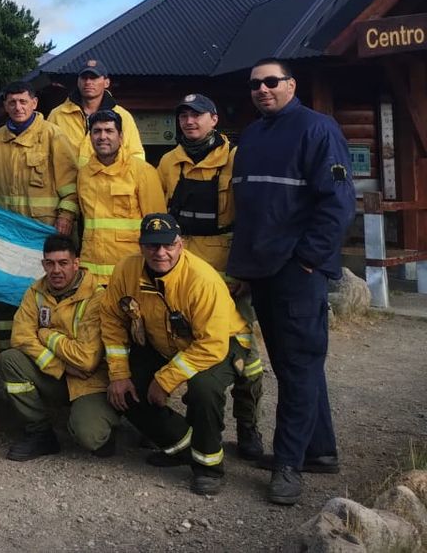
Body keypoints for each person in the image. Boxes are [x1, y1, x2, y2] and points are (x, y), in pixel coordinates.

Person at [228, 58, 354, 506]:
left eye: (271, 82)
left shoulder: (318, 129)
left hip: (297, 272)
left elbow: (338, 205)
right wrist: (243, 268)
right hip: (261, 271)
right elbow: (251, 210)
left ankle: (287, 463)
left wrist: (306, 261)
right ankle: (318, 451)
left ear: (291, 85)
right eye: (255, 84)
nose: (262, 89)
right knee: (293, 366)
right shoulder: (254, 136)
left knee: (299, 365)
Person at [103, 213, 252, 496]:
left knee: (204, 389)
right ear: (140, 246)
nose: (161, 253)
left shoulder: (201, 279)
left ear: (181, 244)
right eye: (152, 246)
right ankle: (181, 446)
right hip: (166, 344)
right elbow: (112, 319)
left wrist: (166, 379)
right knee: (125, 390)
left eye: (168, 245)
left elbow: (212, 344)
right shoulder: (126, 270)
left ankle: (209, 466)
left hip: (221, 344)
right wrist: (119, 373)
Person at [157, 93, 265, 461]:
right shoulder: (169, 163)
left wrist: (244, 270)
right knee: (188, 349)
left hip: (229, 273)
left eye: (197, 115)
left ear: (214, 120)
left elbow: (251, 215)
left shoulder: (236, 159)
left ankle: (248, 427)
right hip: (183, 273)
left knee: (244, 357)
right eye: (183, 116)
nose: (189, 122)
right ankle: (199, 428)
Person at [0, 234, 118, 461]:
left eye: (63, 263)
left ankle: (106, 423)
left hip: (89, 380)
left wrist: (45, 334)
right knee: (10, 359)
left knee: (91, 437)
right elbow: (21, 337)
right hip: (59, 375)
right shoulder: (36, 291)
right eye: (50, 263)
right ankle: (40, 433)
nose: (56, 270)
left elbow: (86, 360)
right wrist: (61, 367)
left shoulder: (96, 296)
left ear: (76, 263)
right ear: (43, 264)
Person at [0, 80, 80, 351]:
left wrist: (66, 215)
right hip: (7, 240)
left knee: (45, 295)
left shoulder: (53, 136)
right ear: (5, 106)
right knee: (5, 295)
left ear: (34, 103)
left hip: (44, 236)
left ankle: (41, 351)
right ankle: (6, 353)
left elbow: (72, 186)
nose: (18, 107)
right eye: (12, 102)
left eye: (23, 101)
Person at [76, 110, 166, 286]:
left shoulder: (143, 172)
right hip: (91, 274)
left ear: (121, 136)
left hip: (131, 271)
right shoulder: (84, 174)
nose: (102, 136)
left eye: (109, 131)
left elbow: (157, 226)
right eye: (97, 131)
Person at [47, 59, 145, 167]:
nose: (88, 82)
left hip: (108, 182)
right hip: (66, 183)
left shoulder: (123, 116)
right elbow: (46, 154)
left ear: (106, 82)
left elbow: (136, 156)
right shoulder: (57, 115)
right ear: (78, 81)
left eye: (94, 77)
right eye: (84, 78)